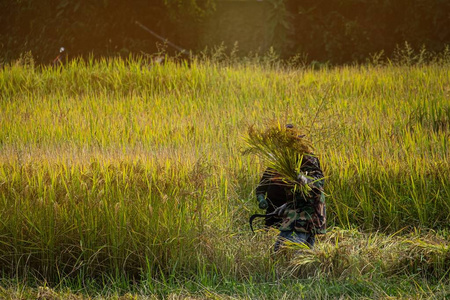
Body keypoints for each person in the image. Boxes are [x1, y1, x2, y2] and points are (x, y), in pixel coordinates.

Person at [255, 132, 326, 251]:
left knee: (287, 252)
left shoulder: (307, 158)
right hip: (292, 213)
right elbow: (262, 187)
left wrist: (304, 179)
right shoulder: (283, 162)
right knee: (288, 251)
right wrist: (285, 205)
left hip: (307, 215)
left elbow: (319, 182)